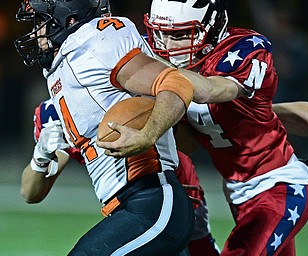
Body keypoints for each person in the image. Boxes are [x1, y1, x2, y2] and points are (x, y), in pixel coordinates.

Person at [15, 0, 196, 255]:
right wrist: (41, 156)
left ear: (68, 21)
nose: (37, 34)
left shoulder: (95, 44)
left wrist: (148, 134)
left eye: (42, 23)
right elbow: (29, 193)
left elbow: (176, 82)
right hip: (126, 209)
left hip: (154, 199)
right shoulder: (63, 91)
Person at [143, 0, 308, 255]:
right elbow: (190, 144)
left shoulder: (245, 50)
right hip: (238, 192)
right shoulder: (168, 60)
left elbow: (210, 90)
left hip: (277, 186)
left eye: (179, 35)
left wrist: (147, 67)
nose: (166, 45)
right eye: (160, 34)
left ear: (211, 27)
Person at [26, 98, 221, 256]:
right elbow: (30, 193)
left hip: (171, 189)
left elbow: (190, 144)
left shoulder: (123, 85)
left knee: (199, 248)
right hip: (128, 205)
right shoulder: (56, 112)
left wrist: (155, 124)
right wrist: (41, 156)